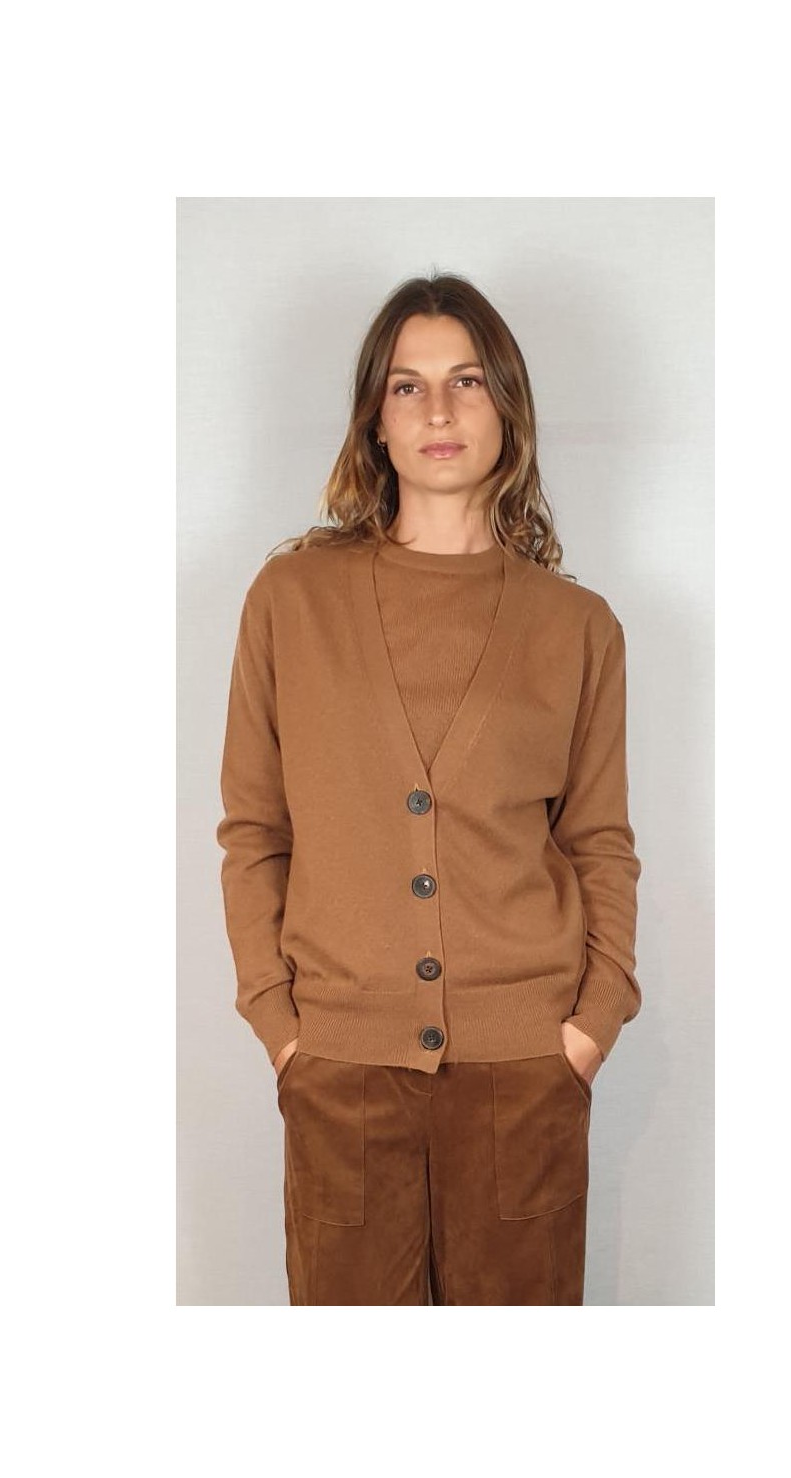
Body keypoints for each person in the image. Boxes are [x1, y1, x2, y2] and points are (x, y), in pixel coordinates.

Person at [216, 272, 642, 1305]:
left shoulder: (576, 625)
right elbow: (254, 830)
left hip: (525, 1071)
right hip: (341, 1072)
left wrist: (591, 1023)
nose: (439, 410)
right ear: (376, 416)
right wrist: (282, 1027)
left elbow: (598, 840)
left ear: (508, 406)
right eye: (408, 386)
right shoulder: (291, 600)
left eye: (467, 381)